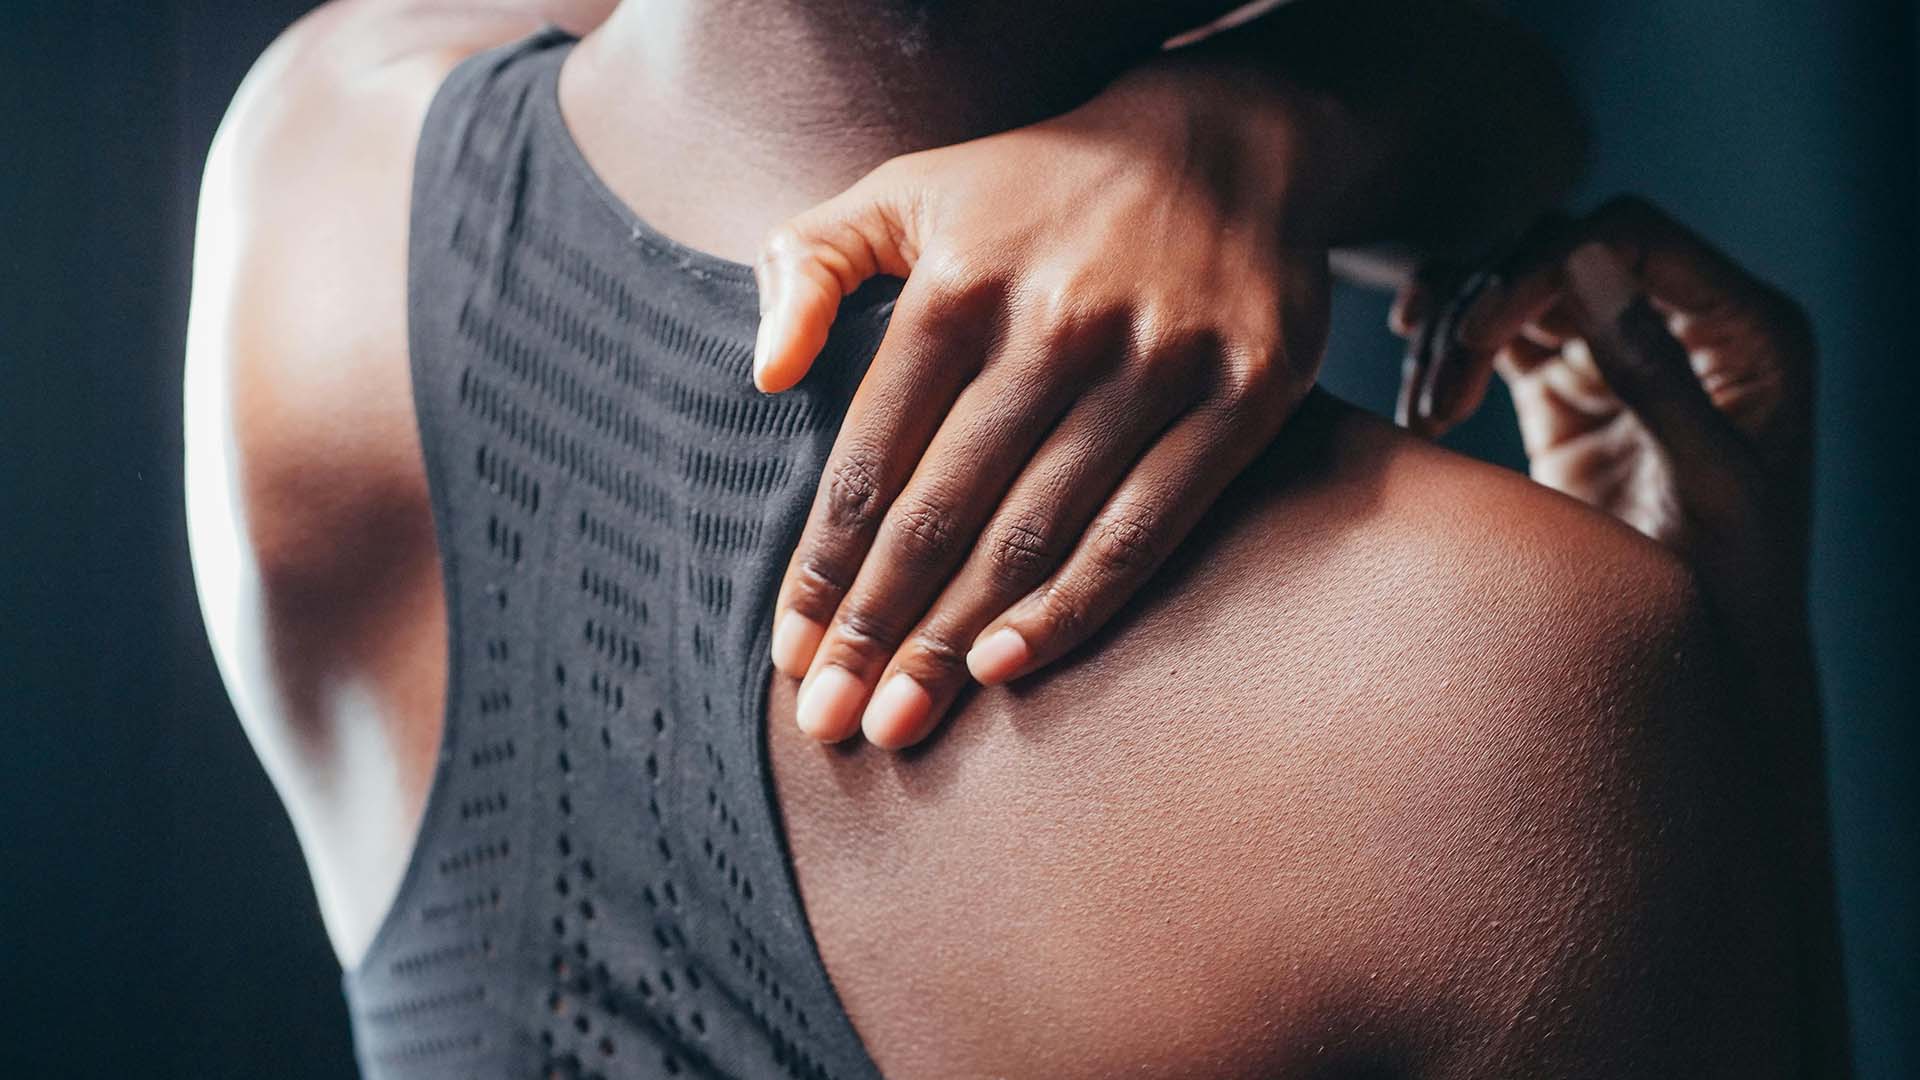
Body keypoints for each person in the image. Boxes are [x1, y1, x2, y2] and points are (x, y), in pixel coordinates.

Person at [181, 0, 1834, 1076]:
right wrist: (1737, 680)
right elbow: (1508, 110)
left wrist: (1271, 131)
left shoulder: (313, 170)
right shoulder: (1494, 679)